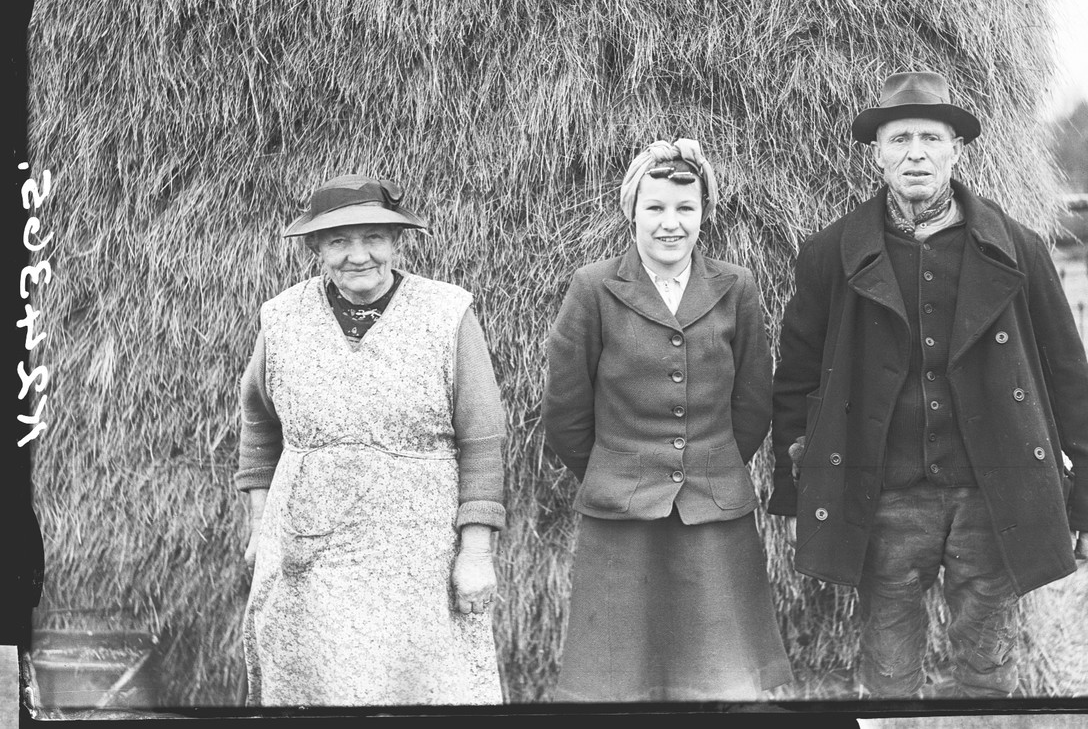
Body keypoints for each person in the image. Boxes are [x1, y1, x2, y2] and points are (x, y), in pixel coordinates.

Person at [768, 71, 1088, 698]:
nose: (915, 154)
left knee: (986, 668)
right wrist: (797, 494)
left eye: (930, 137)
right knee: (889, 672)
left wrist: (1086, 499)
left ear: (958, 148)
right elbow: (795, 382)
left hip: (992, 495)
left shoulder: (1018, 250)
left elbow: (1068, 377)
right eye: (899, 139)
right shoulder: (830, 253)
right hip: (885, 499)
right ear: (877, 154)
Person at [235, 173, 507, 706]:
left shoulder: (446, 314)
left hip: (418, 560)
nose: (358, 255)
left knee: (424, 691)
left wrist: (476, 551)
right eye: (338, 240)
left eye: (373, 238)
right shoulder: (283, 317)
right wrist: (261, 522)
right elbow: (259, 423)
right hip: (308, 558)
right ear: (315, 247)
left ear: (396, 242)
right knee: (312, 689)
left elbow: (483, 438)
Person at [542, 138, 793, 702]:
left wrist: (705, 463)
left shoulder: (736, 287)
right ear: (631, 210)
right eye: (655, 208)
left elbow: (753, 404)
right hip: (620, 512)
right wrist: (620, 471)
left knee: (716, 677)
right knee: (618, 680)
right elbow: (566, 411)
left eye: (686, 209)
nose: (670, 224)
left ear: (704, 213)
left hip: (713, 508)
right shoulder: (594, 288)